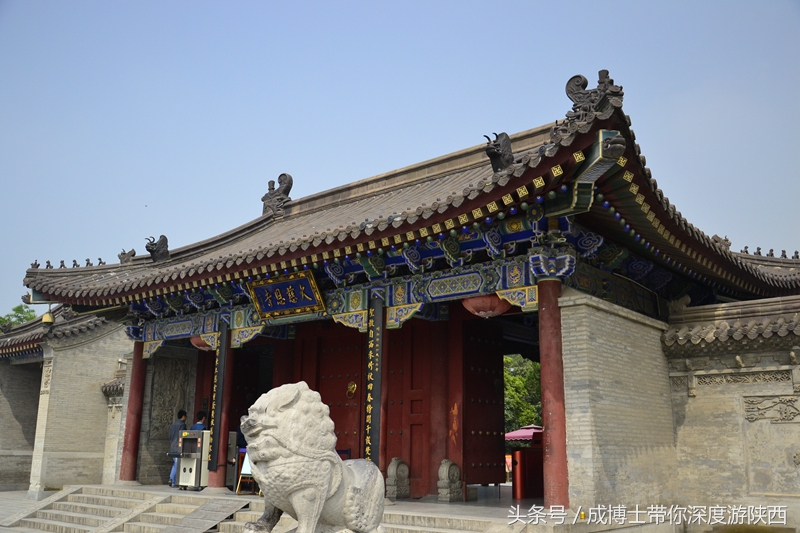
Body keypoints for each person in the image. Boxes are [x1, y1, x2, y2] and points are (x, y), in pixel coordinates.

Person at [168, 410, 187, 487]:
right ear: (183, 416)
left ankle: (173, 480)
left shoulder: (173, 425)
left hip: (173, 446)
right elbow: (183, 436)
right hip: (179, 447)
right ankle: (172, 479)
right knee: (177, 464)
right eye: (185, 416)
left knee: (175, 463)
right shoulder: (182, 425)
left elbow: (170, 436)